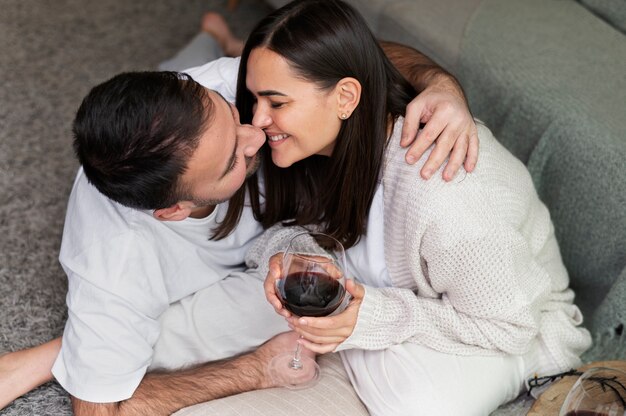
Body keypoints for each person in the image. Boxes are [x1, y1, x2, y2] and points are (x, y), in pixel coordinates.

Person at [0, 11, 479, 415]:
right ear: (173, 211)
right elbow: (102, 411)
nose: (258, 134)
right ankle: (70, 351)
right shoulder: (114, 260)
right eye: (233, 159)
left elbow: (355, 57)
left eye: (233, 116)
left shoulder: (224, 87)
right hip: (198, 265)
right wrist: (252, 369)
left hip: (207, 96)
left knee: (211, 62)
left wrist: (442, 87)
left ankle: (216, 40)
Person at [223, 1, 592, 415]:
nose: (257, 120)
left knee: (414, 403)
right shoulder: (313, 146)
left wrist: (368, 320)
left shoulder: (445, 194)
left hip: (511, 331)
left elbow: (511, 324)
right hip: (398, 297)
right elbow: (282, 225)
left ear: (345, 97)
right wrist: (297, 256)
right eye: (254, 100)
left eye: (276, 103)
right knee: (235, 309)